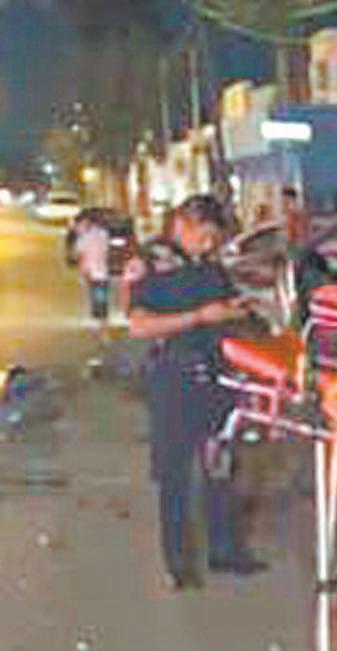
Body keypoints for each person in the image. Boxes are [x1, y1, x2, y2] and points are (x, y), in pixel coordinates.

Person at [126, 195, 269, 591]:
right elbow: (139, 325)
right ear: (183, 223)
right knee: (174, 475)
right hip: (174, 376)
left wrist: (239, 310)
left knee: (220, 466)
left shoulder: (209, 265)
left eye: (214, 239)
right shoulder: (150, 263)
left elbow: (223, 306)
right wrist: (197, 317)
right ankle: (178, 563)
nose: (209, 245)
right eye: (204, 235)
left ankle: (225, 550)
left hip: (217, 375)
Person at [72, 211, 115, 324]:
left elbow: (81, 255)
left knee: (95, 292)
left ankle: (98, 316)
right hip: (101, 268)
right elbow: (105, 251)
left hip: (92, 268)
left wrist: (83, 271)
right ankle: (102, 315)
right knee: (101, 292)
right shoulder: (103, 233)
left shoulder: (84, 237)